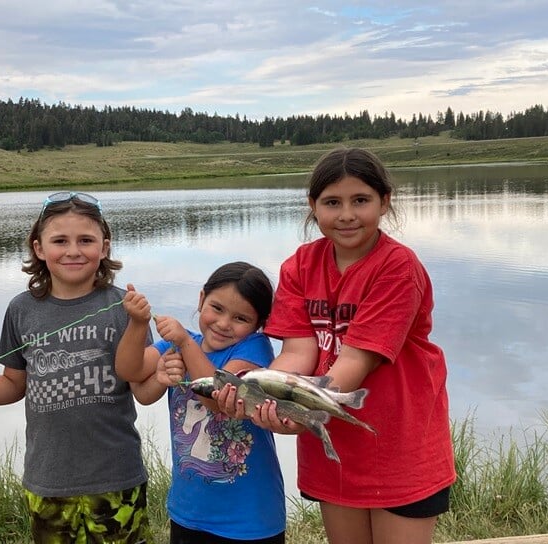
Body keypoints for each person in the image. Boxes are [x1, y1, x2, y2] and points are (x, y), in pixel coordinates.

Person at [216, 148, 457, 544]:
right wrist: (259, 392)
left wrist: (296, 412)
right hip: (335, 451)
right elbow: (298, 354)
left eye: (360, 200)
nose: (346, 214)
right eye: (332, 202)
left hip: (401, 448)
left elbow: (355, 363)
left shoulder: (398, 267)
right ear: (313, 206)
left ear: (384, 202)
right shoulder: (300, 265)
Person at [0, 191, 154, 544]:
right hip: (48, 481)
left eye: (86, 240)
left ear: (104, 248)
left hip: (117, 478)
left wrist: (146, 330)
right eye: (60, 240)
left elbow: (140, 380)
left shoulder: (125, 306)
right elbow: (14, 384)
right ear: (39, 248)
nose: (73, 250)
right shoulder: (22, 310)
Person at [116, 261, 286, 544]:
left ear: (258, 325)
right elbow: (129, 371)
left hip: (250, 519)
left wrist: (185, 344)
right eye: (216, 308)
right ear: (201, 298)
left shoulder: (253, 349)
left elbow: (218, 398)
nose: (223, 324)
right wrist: (138, 323)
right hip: (189, 513)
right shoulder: (179, 346)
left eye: (241, 318)